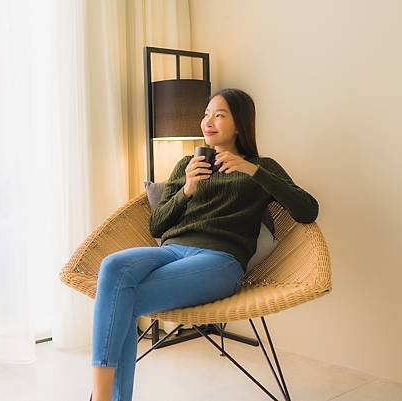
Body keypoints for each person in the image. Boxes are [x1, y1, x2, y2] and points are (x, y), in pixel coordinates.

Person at [89, 88, 319, 401]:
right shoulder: (187, 164)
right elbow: (156, 225)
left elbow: (307, 210)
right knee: (113, 266)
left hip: (219, 261)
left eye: (219, 115)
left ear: (240, 125)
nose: (208, 121)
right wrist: (187, 189)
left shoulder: (261, 167)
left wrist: (254, 171)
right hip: (170, 252)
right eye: (207, 114)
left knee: (121, 302)